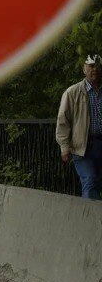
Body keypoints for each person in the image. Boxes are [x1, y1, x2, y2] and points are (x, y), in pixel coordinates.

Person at [57, 55, 102, 200]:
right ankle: (90, 214)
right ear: (84, 69)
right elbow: (63, 120)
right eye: (91, 66)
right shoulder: (72, 92)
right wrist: (64, 147)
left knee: (97, 183)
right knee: (89, 180)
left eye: (97, 66)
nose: (95, 69)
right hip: (82, 146)